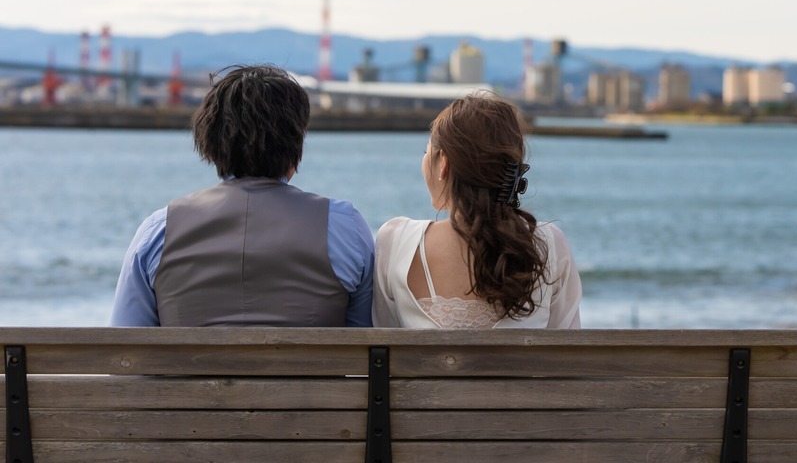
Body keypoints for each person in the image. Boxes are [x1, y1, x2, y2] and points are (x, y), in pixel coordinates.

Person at [110, 63, 374, 327]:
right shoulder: (345, 228)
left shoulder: (159, 232)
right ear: (295, 145)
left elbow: (125, 344)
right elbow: (367, 336)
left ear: (209, 143)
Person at [372, 92, 581, 329]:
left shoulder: (396, 243)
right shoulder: (549, 245)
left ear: (443, 163)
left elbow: (380, 341)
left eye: (426, 152)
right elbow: (568, 347)